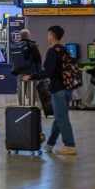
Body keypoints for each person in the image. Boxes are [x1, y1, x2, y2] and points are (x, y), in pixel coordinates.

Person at [25, 24, 77, 156]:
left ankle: (69, 145)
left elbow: (47, 71)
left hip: (58, 89)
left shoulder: (52, 51)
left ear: (52, 36)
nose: (47, 37)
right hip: (68, 88)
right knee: (59, 117)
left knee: (62, 118)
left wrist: (32, 77)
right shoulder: (64, 50)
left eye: (48, 34)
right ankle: (50, 143)